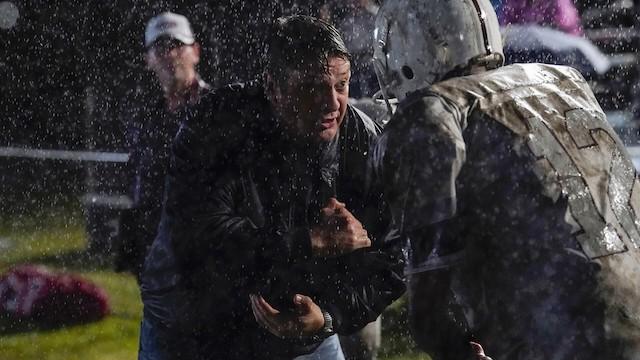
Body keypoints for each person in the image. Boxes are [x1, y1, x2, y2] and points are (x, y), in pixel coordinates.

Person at [370, 0, 640, 359]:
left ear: (407, 53)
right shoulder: (563, 80)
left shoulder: (433, 111)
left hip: (565, 336)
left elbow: (430, 312)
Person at [138, 15, 405, 360]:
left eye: (342, 85)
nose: (332, 103)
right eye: (312, 87)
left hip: (303, 334)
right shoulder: (218, 125)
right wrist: (309, 241)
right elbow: (200, 241)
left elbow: (393, 260)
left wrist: (326, 317)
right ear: (272, 87)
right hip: (195, 330)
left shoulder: (360, 141)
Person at [114, 12, 210, 280]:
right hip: (154, 253)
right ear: (148, 60)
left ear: (195, 51)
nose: (169, 55)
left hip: (203, 257)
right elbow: (138, 180)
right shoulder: (145, 117)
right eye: (160, 48)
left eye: (177, 45)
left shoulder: (218, 110)